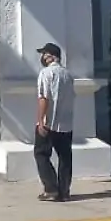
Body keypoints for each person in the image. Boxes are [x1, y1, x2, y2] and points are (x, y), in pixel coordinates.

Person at [33, 42, 75, 202]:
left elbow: (43, 98)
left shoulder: (46, 73)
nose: (42, 57)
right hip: (66, 123)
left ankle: (51, 189)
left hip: (50, 121)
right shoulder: (68, 75)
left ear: (52, 56)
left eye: (44, 54)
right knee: (65, 157)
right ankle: (64, 191)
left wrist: (40, 120)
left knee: (41, 154)